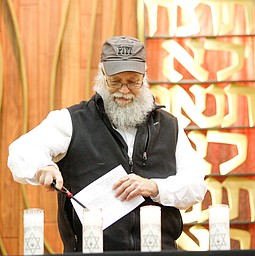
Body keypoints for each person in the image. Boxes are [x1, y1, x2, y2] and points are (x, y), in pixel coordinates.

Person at [7, 36, 207, 252]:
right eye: (115, 81)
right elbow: (21, 151)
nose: (124, 90)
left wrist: (155, 187)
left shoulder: (169, 126)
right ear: (102, 76)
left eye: (132, 82)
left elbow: (195, 186)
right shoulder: (72, 120)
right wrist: (43, 166)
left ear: (145, 77)